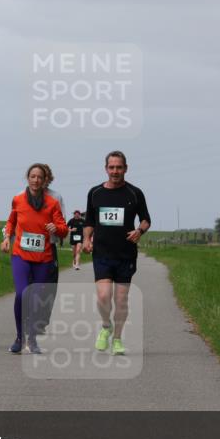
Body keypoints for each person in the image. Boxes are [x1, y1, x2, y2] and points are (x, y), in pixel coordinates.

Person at [83, 151, 150, 356]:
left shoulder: (134, 193)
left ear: (125, 169)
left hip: (125, 254)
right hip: (102, 252)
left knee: (121, 300)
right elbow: (89, 222)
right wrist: (86, 239)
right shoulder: (95, 193)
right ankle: (106, 326)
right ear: (106, 169)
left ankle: (118, 339)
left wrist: (140, 231)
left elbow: (146, 219)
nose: (115, 171)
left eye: (119, 167)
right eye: (111, 167)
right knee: (104, 296)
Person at [1, 164, 67, 354]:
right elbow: (11, 221)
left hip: (43, 258)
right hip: (21, 255)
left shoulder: (52, 203)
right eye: (32, 176)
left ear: (45, 180)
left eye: (40, 177)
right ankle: (19, 338)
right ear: (27, 178)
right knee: (22, 294)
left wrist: (56, 229)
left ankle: (32, 338)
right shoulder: (18, 199)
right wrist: (6, 237)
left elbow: (63, 228)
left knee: (37, 299)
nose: (36, 180)